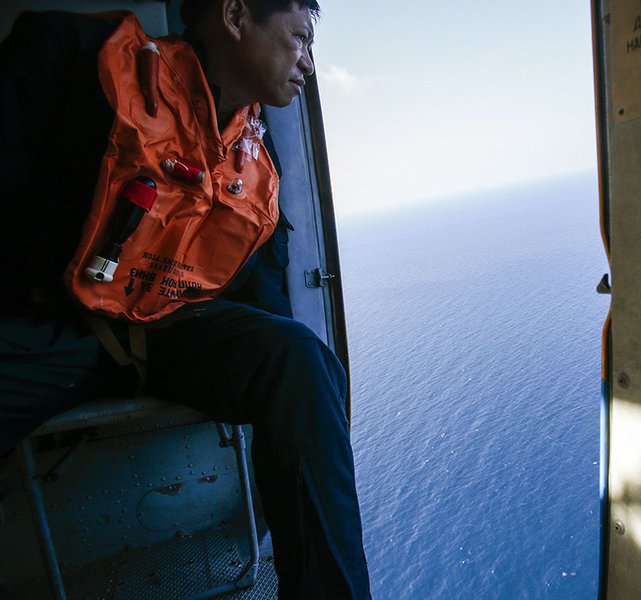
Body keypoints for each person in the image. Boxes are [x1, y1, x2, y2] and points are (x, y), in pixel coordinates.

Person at [0, 1, 372, 598]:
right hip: (50, 326)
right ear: (234, 15)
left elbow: (265, 305)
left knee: (302, 360)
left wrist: (276, 389)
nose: (309, 62)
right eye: (301, 38)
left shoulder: (256, 162)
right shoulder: (78, 59)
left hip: (175, 335)